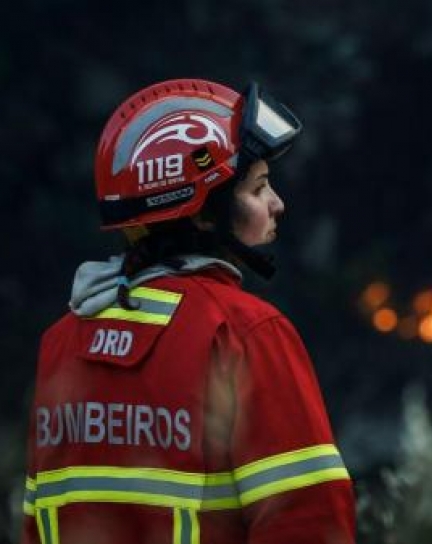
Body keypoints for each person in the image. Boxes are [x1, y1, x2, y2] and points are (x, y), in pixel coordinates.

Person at [21, 79, 356, 544]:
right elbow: (311, 521)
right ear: (201, 214)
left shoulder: (62, 343)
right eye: (259, 188)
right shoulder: (245, 332)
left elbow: (38, 523)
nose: (278, 203)